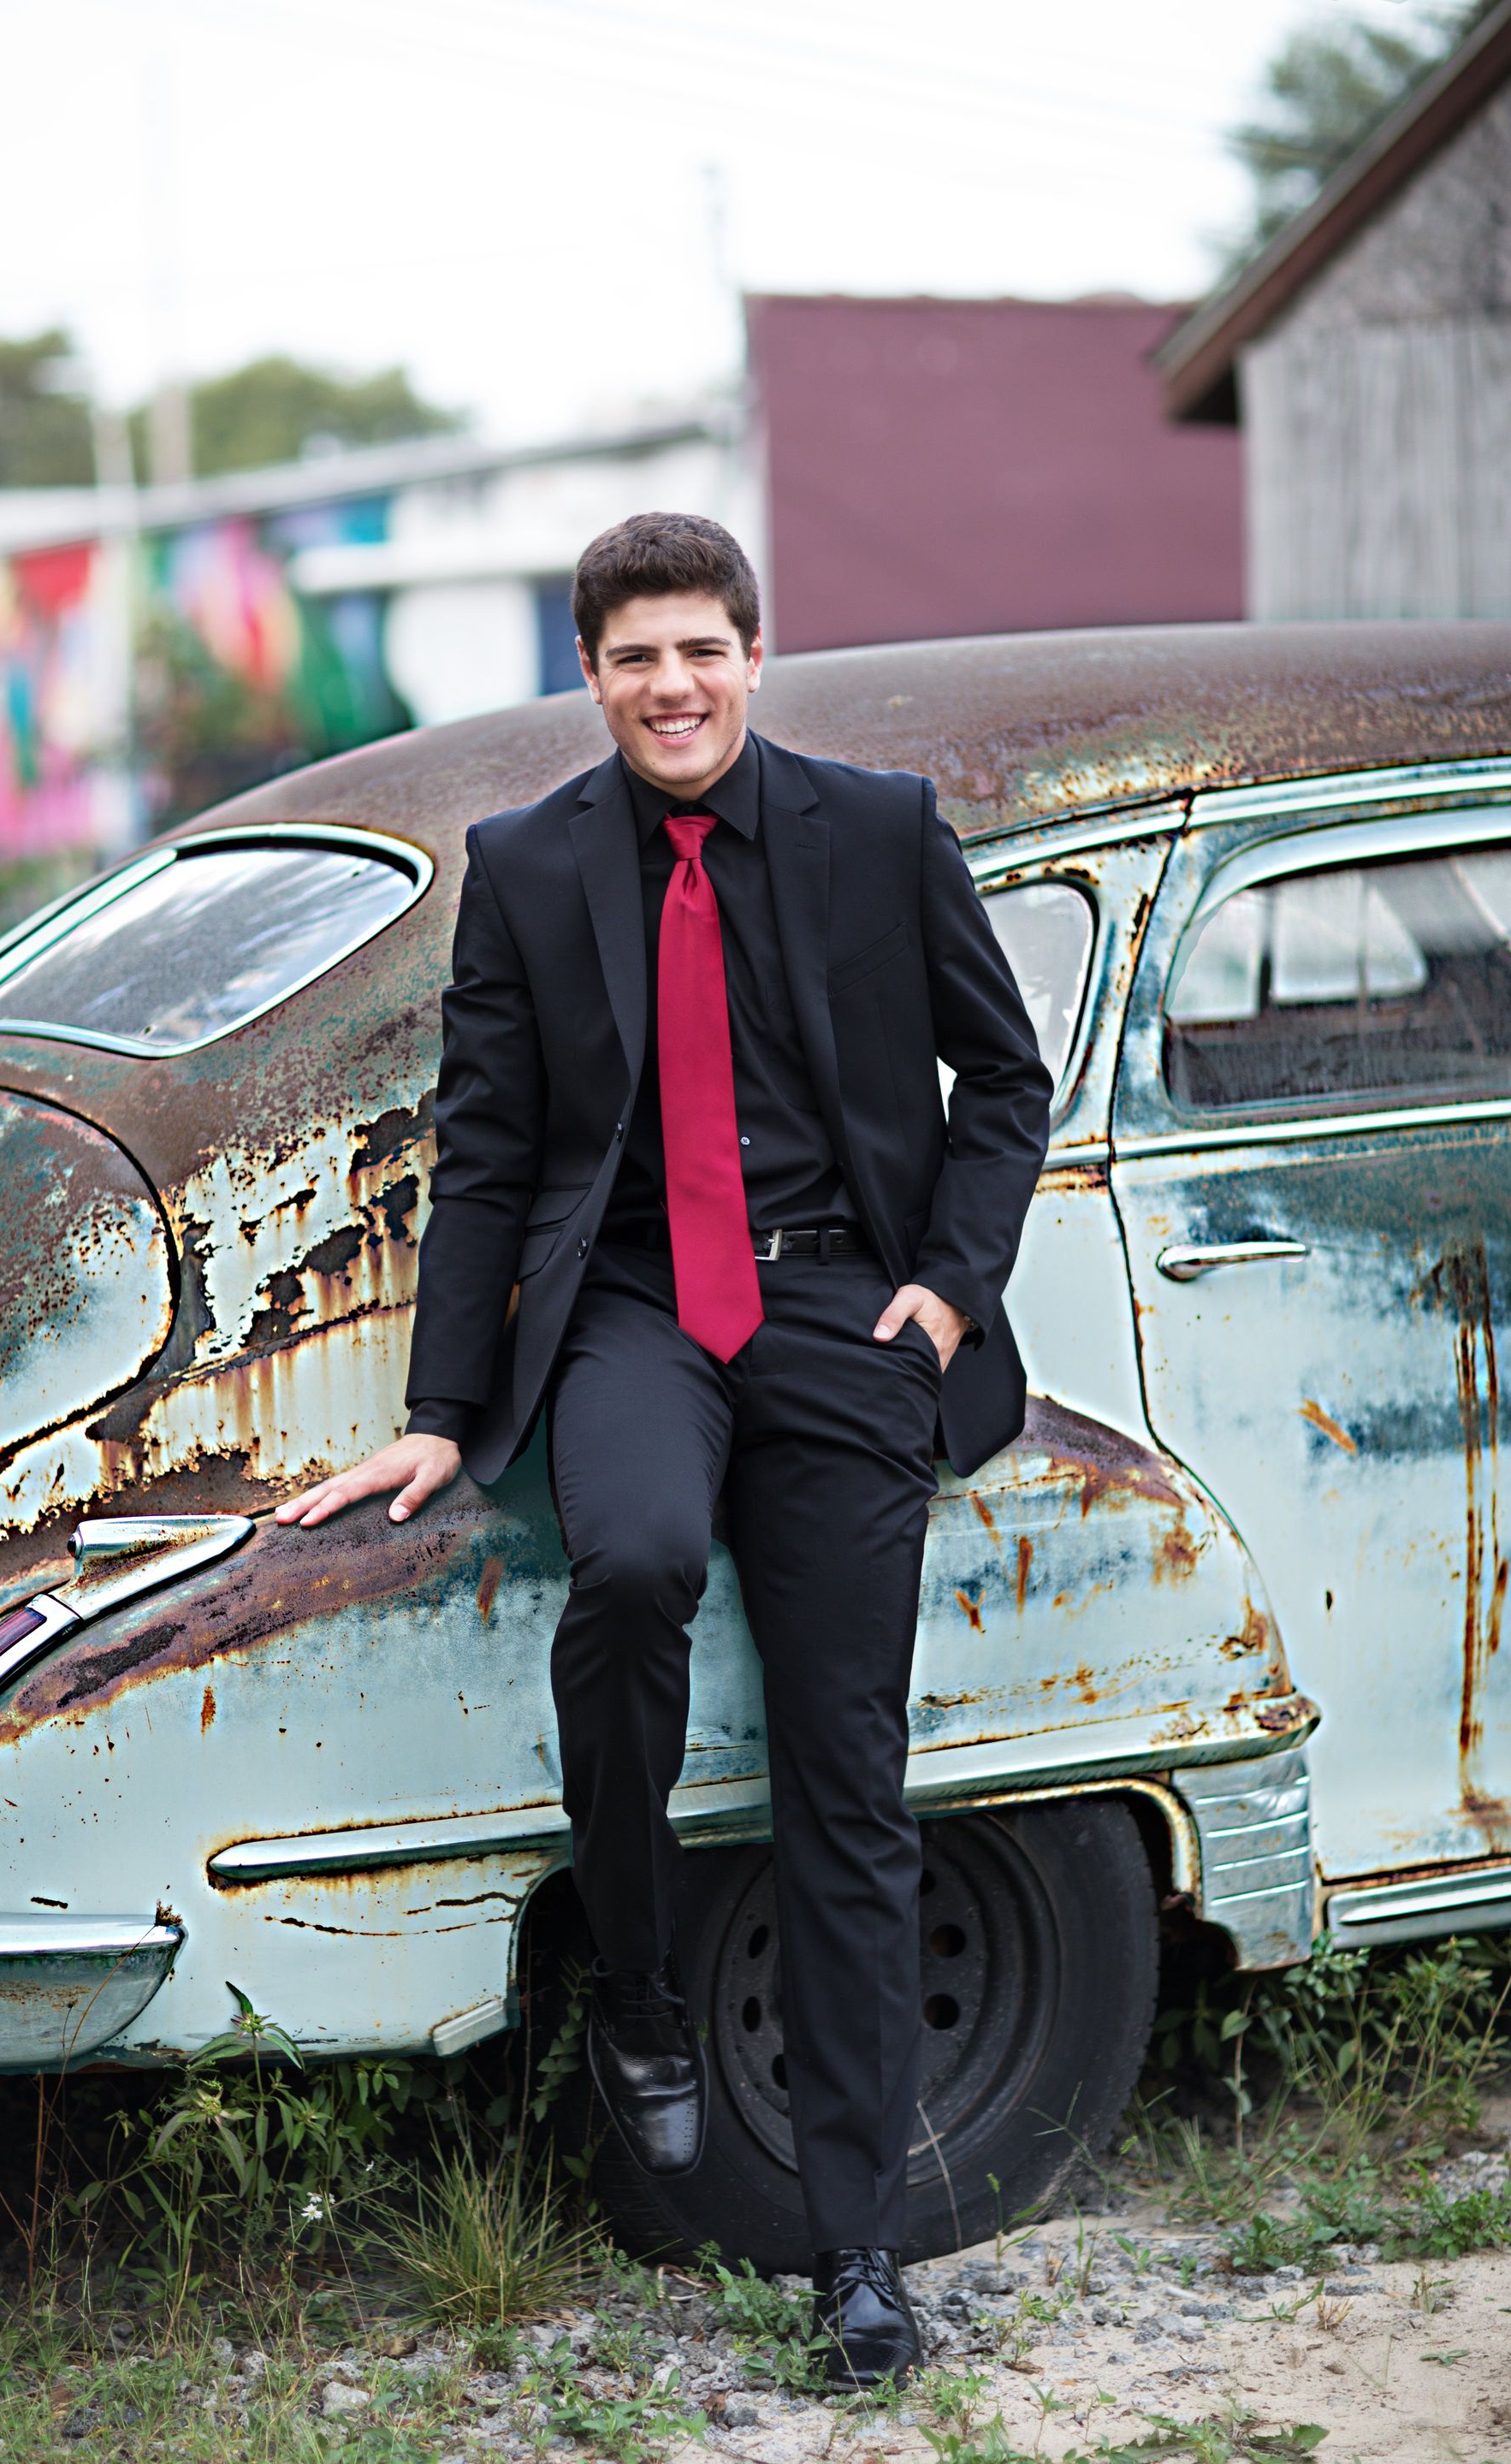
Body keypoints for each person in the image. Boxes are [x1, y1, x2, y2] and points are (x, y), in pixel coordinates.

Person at [277, 512, 1051, 2385]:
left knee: (844, 1765)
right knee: (625, 1563)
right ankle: (637, 1988)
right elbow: (485, 1149)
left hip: (841, 1316)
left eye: (699, 648)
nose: (671, 684)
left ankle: (861, 2248)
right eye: (633, 657)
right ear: (593, 674)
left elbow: (1003, 1079)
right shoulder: (532, 868)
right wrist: (446, 1418)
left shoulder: (880, 829)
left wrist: (945, 1293)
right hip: (631, 1309)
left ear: (755, 654)